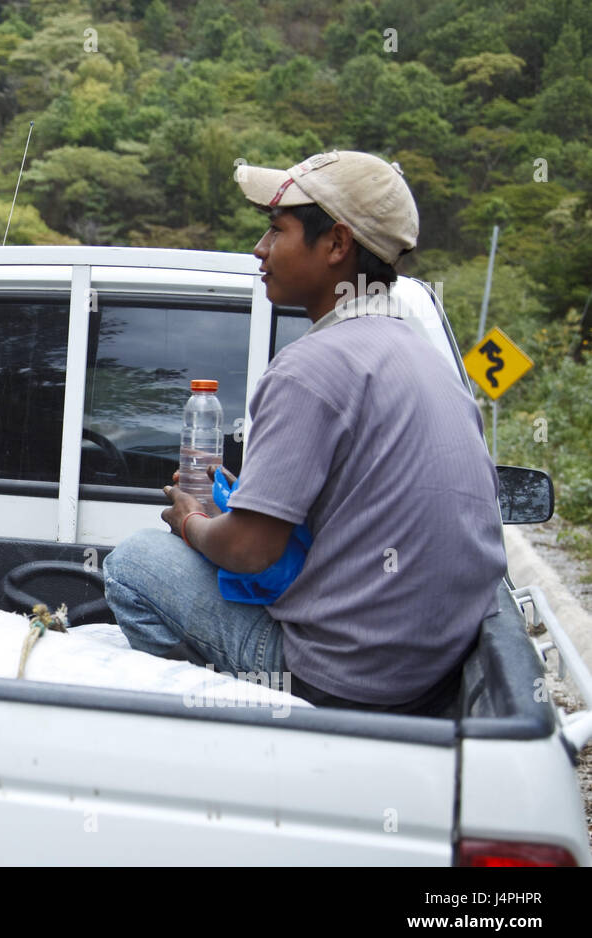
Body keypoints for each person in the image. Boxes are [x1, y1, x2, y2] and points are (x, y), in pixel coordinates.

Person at [103, 150, 508, 716]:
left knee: (132, 563)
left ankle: (228, 741)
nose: (259, 249)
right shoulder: (428, 361)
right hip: (428, 678)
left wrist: (192, 522)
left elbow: (249, 550)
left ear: (337, 244)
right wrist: (243, 496)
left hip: (337, 681)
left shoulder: (309, 367)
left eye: (276, 230)